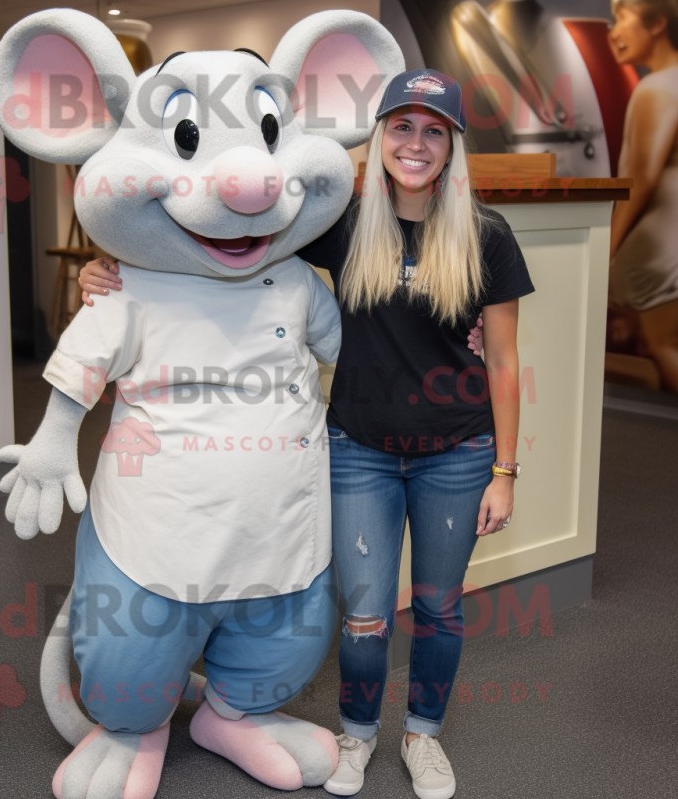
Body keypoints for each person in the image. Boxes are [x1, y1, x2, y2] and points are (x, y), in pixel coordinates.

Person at [79, 69, 533, 799]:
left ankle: (422, 735)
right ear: (379, 135)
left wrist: (506, 471)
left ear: (452, 147)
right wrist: (114, 266)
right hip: (359, 453)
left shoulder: (487, 235)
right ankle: (355, 738)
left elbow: (506, 360)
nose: (415, 143)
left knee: (440, 609)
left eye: (433, 131)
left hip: (458, 453)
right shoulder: (343, 223)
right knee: (363, 617)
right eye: (401, 126)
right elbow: (227, 246)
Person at [608, 0, 678, 393]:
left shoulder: (656, 88)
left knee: (664, 343)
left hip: (662, 245)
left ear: (657, 24)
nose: (612, 31)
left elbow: (640, 179)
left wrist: (608, 246)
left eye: (621, 17)